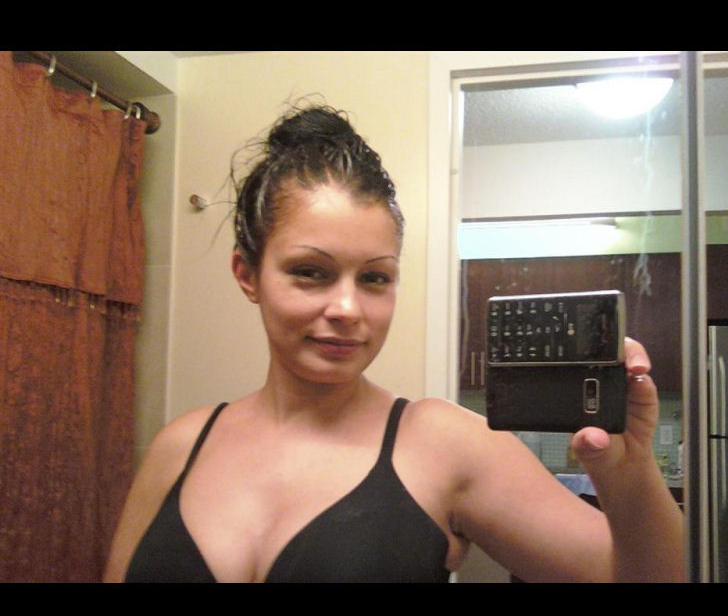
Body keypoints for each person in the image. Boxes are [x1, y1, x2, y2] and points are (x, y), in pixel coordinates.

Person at [104, 104, 685, 584]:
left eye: (375, 278)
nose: (348, 308)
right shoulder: (180, 446)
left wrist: (629, 472)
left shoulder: (444, 444)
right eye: (310, 272)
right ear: (247, 274)